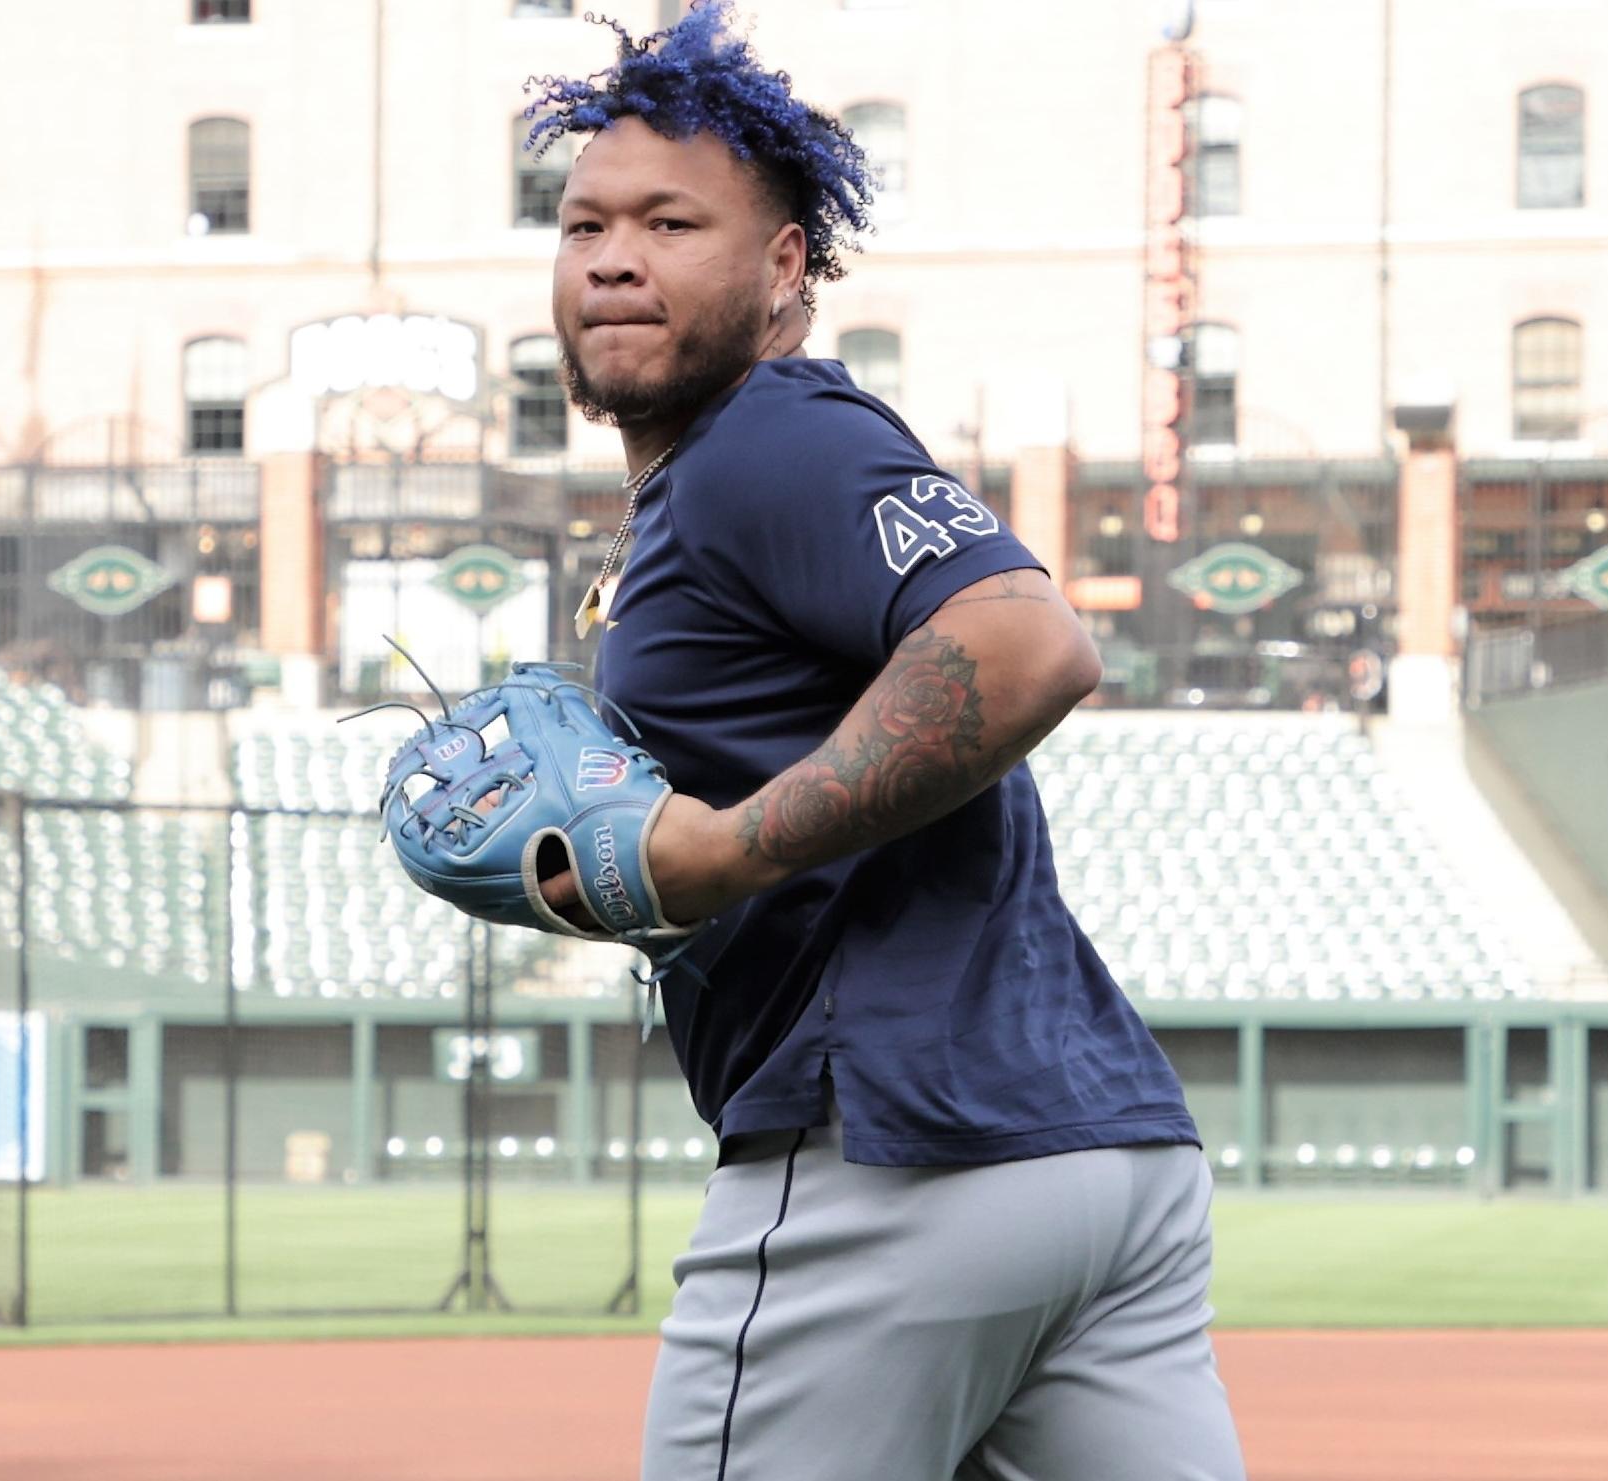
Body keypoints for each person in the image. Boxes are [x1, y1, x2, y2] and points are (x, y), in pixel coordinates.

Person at [519, 8, 1240, 1476]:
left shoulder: (764, 442)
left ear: (785, 265)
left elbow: (1028, 641)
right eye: (584, 221)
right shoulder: (724, 484)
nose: (611, 256)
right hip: (1097, 1158)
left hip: (893, 1158)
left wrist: (721, 851)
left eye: (671, 222)